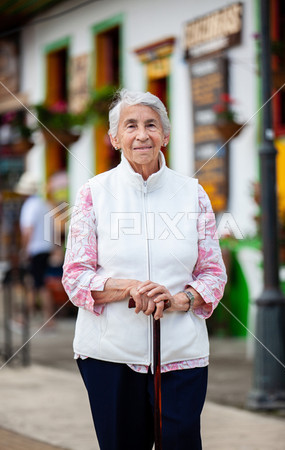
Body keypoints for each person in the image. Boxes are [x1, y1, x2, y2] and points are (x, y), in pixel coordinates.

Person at [62, 89, 227, 450]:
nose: (142, 134)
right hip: (110, 356)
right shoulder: (94, 192)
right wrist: (131, 288)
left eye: (151, 125)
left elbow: (214, 273)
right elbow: (75, 277)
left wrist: (179, 299)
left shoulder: (193, 193)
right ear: (115, 138)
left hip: (181, 354)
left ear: (164, 136)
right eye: (130, 125)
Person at [15, 172, 54, 327]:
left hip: (35, 249)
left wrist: (23, 249)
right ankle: (33, 317)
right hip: (45, 248)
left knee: (37, 284)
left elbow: (28, 230)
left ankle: (44, 318)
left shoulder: (29, 206)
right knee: (37, 284)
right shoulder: (43, 204)